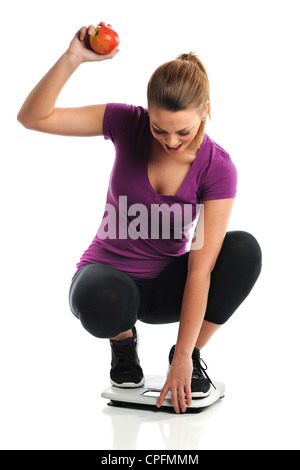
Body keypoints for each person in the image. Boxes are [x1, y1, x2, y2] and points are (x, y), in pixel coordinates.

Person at [17, 22, 262, 414]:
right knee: (100, 297)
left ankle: (192, 354)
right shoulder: (127, 123)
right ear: (147, 112)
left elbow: (201, 270)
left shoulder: (218, 168)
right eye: (159, 128)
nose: (170, 141)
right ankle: (123, 344)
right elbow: (33, 118)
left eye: (182, 131)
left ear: (205, 110)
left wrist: (184, 355)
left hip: (168, 286)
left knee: (244, 250)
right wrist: (73, 58)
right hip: (109, 274)